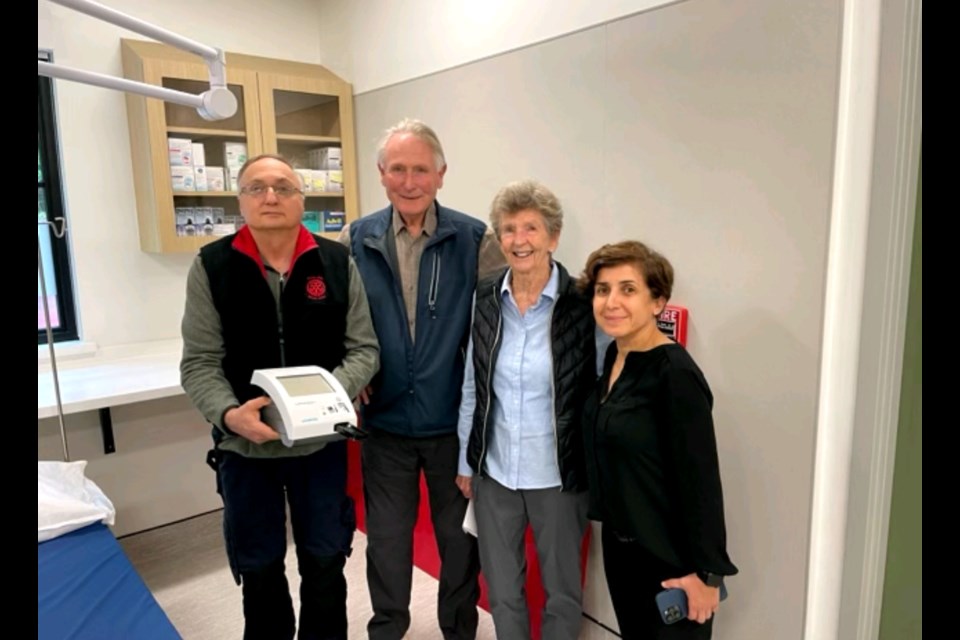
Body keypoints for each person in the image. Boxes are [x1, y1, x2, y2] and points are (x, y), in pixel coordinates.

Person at [180, 153, 380, 640]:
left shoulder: (335, 261)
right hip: (246, 448)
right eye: (257, 188)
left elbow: (364, 350)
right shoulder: (212, 266)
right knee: (260, 567)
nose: (271, 196)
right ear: (240, 202)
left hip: (322, 448)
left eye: (283, 187)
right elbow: (200, 362)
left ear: (301, 199)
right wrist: (230, 414)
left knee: (326, 561)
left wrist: (324, 402)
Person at [341, 118, 506, 640]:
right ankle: (387, 629)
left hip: (451, 426)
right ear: (381, 174)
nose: (408, 181)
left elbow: (497, 334)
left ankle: (459, 631)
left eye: (420, 170)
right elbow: (335, 321)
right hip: (385, 423)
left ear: (440, 175)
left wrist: (481, 423)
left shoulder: (477, 239)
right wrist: (351, 370)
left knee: (459, 544)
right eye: (397, 169)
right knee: (387, 542)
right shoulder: (354, 239)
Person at [456, 180, 595, 639]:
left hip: (558, 475)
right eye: (509, 229)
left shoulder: (583, 304)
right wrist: (466, 461)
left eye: (531, 228)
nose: (519, 240)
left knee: (561, 591)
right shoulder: (485, 297)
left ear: (553, 237)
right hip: (494, 473)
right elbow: (473, 386)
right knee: (501, 587)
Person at [580, 241, 738, 639]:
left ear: (657, 301)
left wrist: (706, 575)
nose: (612, 301)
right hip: (623, 549)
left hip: (672, 562)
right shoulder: (615, 357)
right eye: (603, 289)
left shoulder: (675, 375)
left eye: (628, 289)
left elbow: (701, 482)